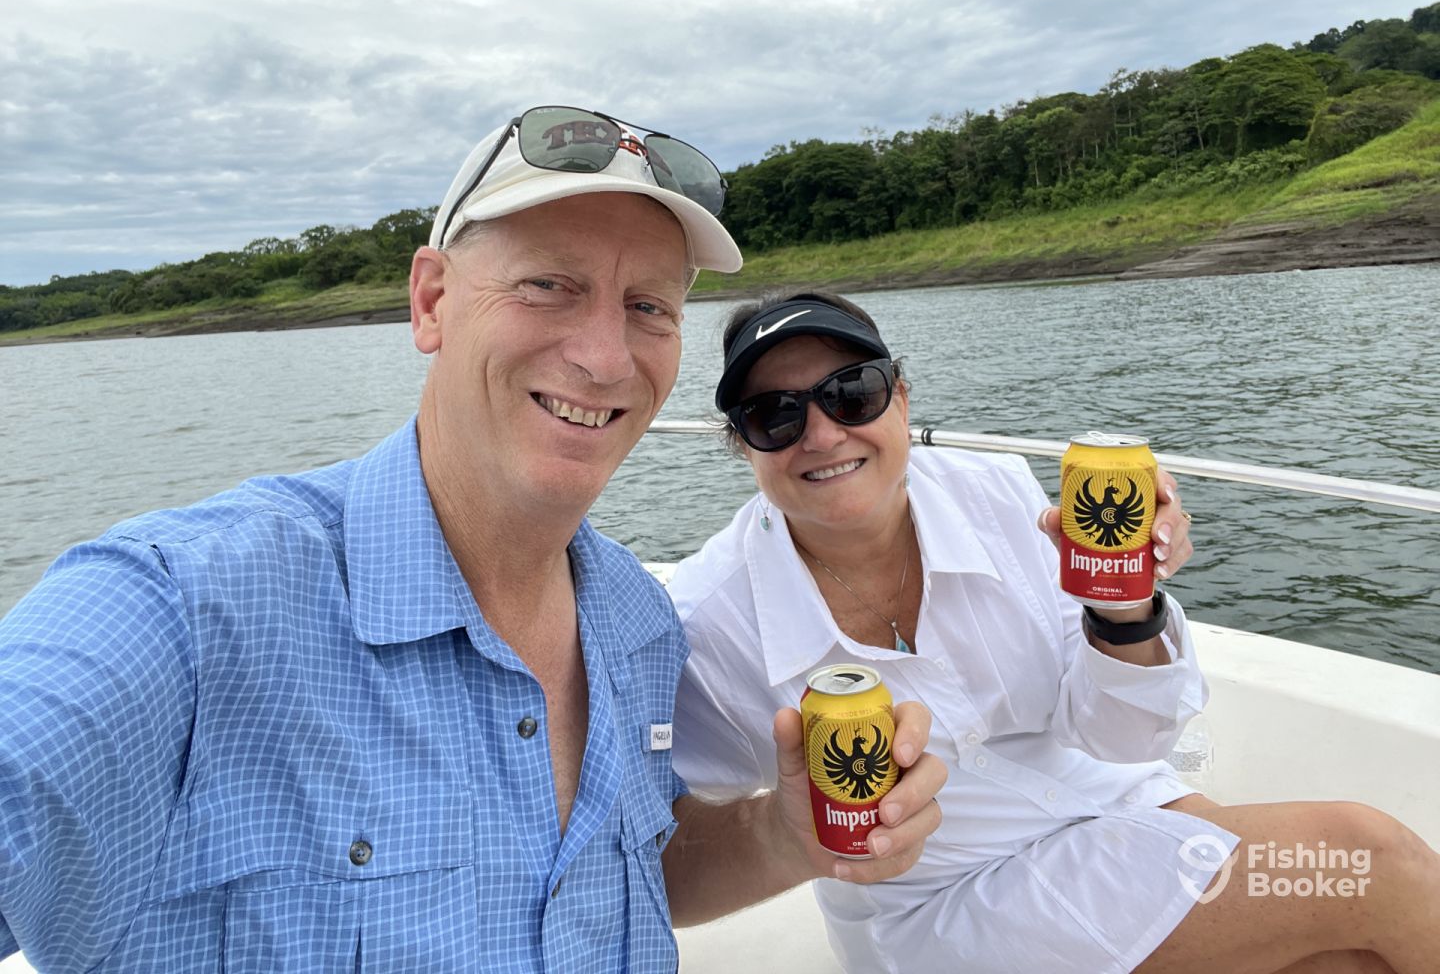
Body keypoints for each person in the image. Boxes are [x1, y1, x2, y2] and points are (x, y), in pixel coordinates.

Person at [0, 110, 945, 973]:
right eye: (547, 285)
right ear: (431, 302)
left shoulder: (637, 620)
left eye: (648, 306)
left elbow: (630, 871)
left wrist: (783, 835)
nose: (605, 357)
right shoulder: (180, 609)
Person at [668, 289, 1440, 974]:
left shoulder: (997, 494)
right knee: (1363, 858)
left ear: (900, 398)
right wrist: (780, 831)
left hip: (1120, 813)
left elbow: (1124, 739)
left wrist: (1124, 605)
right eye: (774, 415)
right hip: (946, 911)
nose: (822, 434)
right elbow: (658, 853)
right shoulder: (712, 621)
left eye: (852, 393)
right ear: (741, 445)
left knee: (1352, 958)